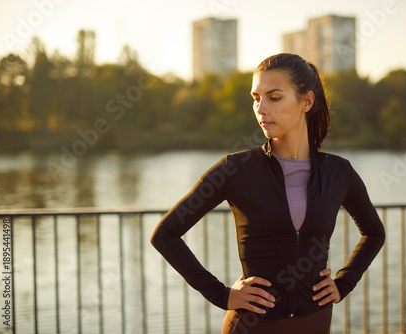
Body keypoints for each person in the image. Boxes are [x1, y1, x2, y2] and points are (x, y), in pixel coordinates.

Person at [151, 53, 385, 334]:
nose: (261, 108)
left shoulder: (338, 172)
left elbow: (374, 233)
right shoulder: (235, 169)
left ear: (306, 102)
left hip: (315, 323)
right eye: (256, 97)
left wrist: (344, 283)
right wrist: (222, 295)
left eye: (274, 97)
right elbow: (165, 234)